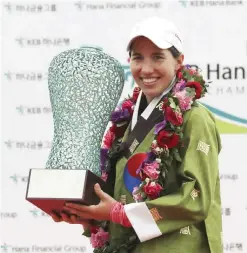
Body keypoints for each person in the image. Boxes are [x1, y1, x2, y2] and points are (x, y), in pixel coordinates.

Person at [51, 16, 223, 253]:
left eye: (158, 57)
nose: (146, 69)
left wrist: (122, 214)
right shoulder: (126, 121)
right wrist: (88, 216)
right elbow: (119, 198)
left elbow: (197, 199)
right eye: (138, 57)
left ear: (179, 62)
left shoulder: (195, 118)